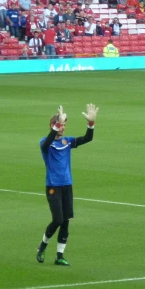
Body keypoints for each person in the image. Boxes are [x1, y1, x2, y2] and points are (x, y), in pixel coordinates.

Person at [36, 104, 99, 266]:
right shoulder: (45, 143)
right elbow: (46, 143)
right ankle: (43, 245)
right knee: (57, 219)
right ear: (52, 125)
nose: (63, 128)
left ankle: (59, 256)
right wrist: (57, 124)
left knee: (66, 221)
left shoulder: (67, 141)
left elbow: (87, 138)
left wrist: (91, 124)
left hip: (67, 186)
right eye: (60, 124)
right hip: (53, 186)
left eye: (64, 125)